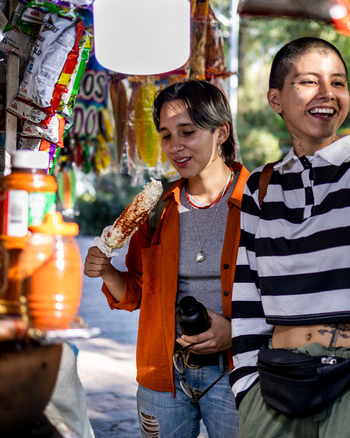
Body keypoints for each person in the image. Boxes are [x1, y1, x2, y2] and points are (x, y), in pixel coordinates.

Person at [230, 37, 350, 437]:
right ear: (275, 99)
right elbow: (247, 298)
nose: (327, 94)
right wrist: (246, 388)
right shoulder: (260, 189)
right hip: (276, 378)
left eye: (338, 83)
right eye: (308, 82)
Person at [84, 79, 248, 438]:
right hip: (165, 373)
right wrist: (107, 271)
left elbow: (289, 296)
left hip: (239, 373)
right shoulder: (159, 208)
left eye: (187, 132)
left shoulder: (258, 202)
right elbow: (138, 291)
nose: (175, 147)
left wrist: (236, 332)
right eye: (166, 135)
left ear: (221, 132)